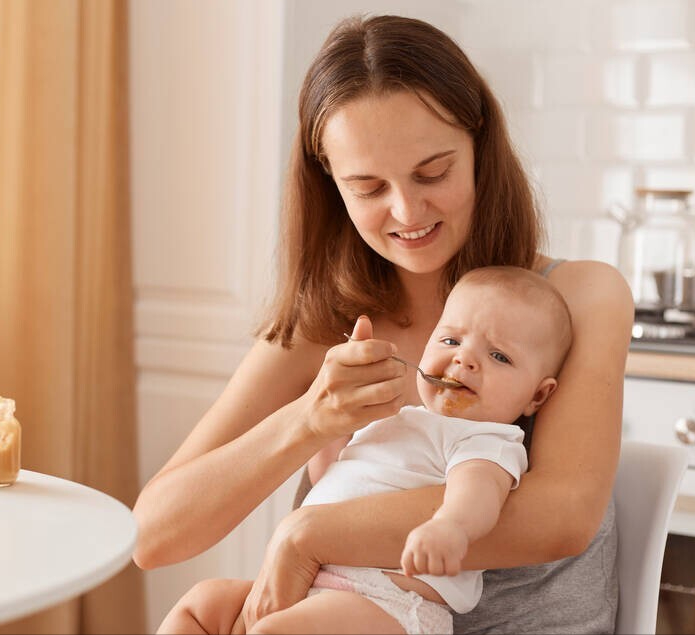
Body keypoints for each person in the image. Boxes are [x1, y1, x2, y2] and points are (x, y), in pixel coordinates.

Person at [132, 13, 633, 635]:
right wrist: (309, 419)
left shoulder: (576, 297)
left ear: (480, 147)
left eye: (432, 173)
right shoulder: (328, 323)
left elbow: (564, 515)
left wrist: (304, 534)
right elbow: (153, 535)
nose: (406, 210)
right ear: (330, 186)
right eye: (368, 187)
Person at [157, 266, 572, 635]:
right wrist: (334, 421)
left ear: (537, 395)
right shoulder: (404, 418)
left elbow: (479, 492)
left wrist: (451, 527)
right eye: (450, 340)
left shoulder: (488, 440)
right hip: (316, 586)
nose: (464, 360)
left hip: (388, 606)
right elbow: (340, 483)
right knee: (201, 604)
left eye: (498, 356)